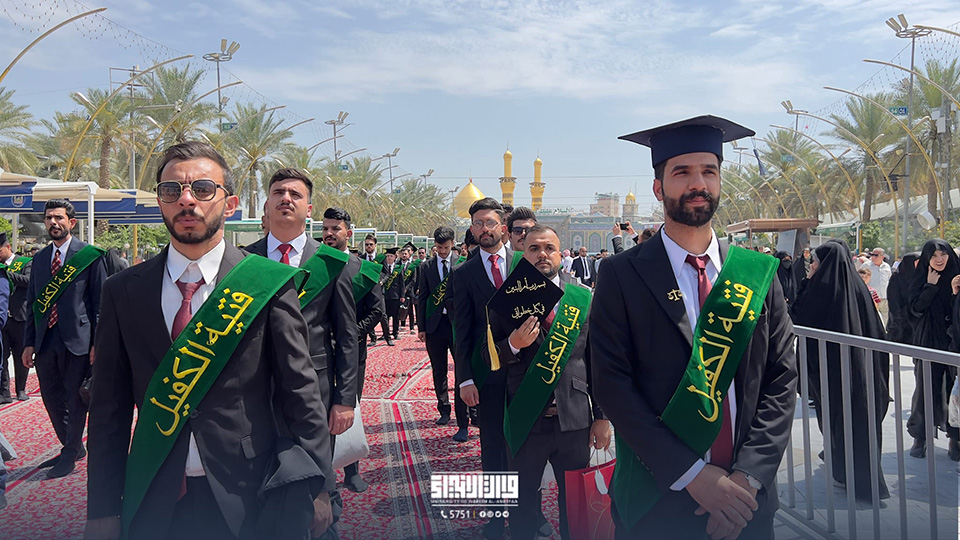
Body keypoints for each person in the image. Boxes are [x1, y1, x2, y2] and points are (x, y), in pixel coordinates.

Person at [85, 142, 334, 540]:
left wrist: (320, 486)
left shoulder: (266, 283)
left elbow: (300, 390)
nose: (186, 200)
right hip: (154, 491)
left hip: (249, 491)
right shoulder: (122, 290)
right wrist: (101, 509)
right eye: (171, 190)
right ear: (159, 202)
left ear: (230, 204)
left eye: (202, 189)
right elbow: (108, 410)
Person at [591, 115, 797, 539]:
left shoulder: (757, 273)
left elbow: (781, 380)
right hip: (656, 498)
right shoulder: (622, 275)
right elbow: (612, 384)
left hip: (746, 503)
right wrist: (692, 475)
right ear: (658, 187)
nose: (698, 183)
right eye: (682, 172)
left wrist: (747, 478)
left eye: (709, 171)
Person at [494, 225, 610, 540]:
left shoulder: (582, 298)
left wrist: (601, 417)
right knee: (522, 501)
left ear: (561, 254)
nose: (542, 254)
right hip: (526, 417)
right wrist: (513, 344)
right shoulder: (507, 298)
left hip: (574, 420)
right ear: (523, 254)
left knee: (576, 502)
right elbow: (487, 356)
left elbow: (597, 361)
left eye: (549, 248)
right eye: (534, 248)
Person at [791, 239, 890, 501]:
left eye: (815, 262)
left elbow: (798, 316)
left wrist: (806, 282)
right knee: (856, 420)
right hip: (859, 370)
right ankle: (852, 472)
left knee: (837, 419)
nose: (812, 267)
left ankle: (846, 472)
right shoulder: (858, 286)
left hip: (831, 372)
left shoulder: (821, 288)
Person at [23, 199, 107, 480]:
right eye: (48, 218)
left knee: (74, 398)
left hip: (78, 339)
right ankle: (72, 446)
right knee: (51, 398)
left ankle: (69, 453)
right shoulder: (39, 259)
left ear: (71, 222)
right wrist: (28, 343)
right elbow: (33, 303)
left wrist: (97, 343)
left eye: (58, 217)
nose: (53, 222)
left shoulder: (90, 256)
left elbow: (99, 304)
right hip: (46, 339)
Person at [451, 197, 515, 539]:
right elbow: (461, 331)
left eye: (490, 223)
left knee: (526, 446)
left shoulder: (524, 263)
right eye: (478, 224)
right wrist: (465, 379)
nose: (484, 229)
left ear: (502, 227)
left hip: (526, 375)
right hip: (487, 374)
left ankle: (529, 512)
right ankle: (495, 514)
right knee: (491, 445)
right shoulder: (464, 274)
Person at [320, 207, 384, 494]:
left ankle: (351, 470)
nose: (329, 234)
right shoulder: (315, 264)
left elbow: (376, 310)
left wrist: (350, 334)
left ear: (349, 232)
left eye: (335, 228)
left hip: (352, 353)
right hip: (318, 351)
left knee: (348, 406)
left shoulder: (363, 269)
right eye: (325, 229)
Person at [907, 239, 960, 461]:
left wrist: (955, 293)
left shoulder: (957, 276)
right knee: (926, 389)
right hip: (928, 341)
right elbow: (914, 310)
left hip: (954, 342)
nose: (939, 259)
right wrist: (930, 286)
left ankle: (955, 438)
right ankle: (921, 437)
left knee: (954, 391)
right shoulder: (921, 278)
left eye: (943, 254)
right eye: (934, 255)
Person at [417, 226, 469, 439]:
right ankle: (444, 409)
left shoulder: (462, 264)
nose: (442, 251)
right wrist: (421, 327)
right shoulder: (426, 267)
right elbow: (422, 297)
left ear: (453, 244)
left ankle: (465, 410)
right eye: (439, 248)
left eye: (446, 247)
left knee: (462, 369)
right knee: (439, 370)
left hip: (457, 324)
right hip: (435, 326)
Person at [0, 233, 31, 402]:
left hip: (20, 318)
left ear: (8, 247)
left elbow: (29, 281)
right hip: (3, 319)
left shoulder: (25, 262)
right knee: (2, 356)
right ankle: (4, 392)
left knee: (20, 356)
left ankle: (21, 389)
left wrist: (7, 274)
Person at [886, 252, 920, 344]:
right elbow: (893, 299)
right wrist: (898, 316)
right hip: (900, 319)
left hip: (914, 319)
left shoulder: (918, 277)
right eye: (916, 262)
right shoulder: (897, 277)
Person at [380, 248, 404, 345]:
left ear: (395, 257)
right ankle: (385, 333)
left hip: (395, 295)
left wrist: (402, 295)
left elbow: (401, 283)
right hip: (385, 295)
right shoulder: (382, 267)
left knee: (395, 316)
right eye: (387, 256)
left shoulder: (398, 268)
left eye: (391, 256)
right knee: (385, 316)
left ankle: (395, 332)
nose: (389, 258)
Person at [861, 247, 892, 323]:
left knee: (886, 319)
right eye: (872, 254)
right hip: (872, 297)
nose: (873, 257)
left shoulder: (887, 266)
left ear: (882, 256)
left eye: (876, 255)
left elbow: (889, 280)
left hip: (885, 298)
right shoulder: (866, 265)